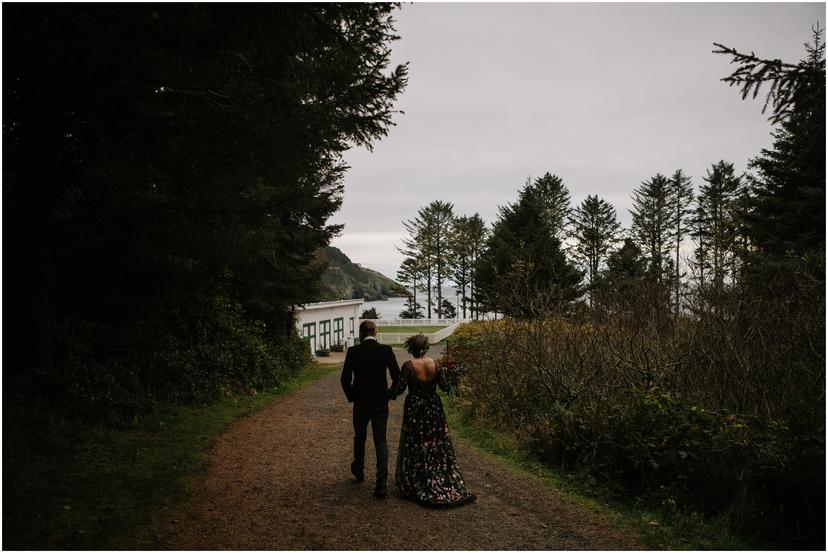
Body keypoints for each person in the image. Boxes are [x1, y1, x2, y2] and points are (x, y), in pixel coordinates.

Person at [387, 334, 476, 508]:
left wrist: (386, 395)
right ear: (426, 348)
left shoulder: (408, 366)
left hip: (415, 408)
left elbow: (399, 389)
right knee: (435, 441)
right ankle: (437, 473)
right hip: (433, 406)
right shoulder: (436, 364)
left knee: (416, 442)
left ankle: (418, 478)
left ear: (410, 349)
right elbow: (443, 386)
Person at [341, 320, 400, 498]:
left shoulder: (353, 351)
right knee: (380, 440)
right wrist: (391, 394)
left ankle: (359, 469)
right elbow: (397, 376)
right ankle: (381, 483)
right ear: (375, 332)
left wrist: (352, 396)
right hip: (380, 402)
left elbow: (345, 379)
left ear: (360, 333)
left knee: (360, 436)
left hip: (361, 402)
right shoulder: (386, 350)